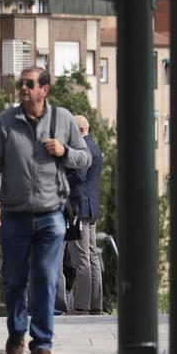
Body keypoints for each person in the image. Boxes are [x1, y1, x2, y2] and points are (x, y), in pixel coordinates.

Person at [0, 67, 90, 354]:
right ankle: (17, 331)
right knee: (14, 280)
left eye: (29, 84)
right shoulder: (6, 122)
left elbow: (86, 157)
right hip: (14, 215)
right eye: (21, 84)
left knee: (45, 277)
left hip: (51, 214)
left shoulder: (63, 119)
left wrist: (64, 150)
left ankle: (42, 345)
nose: (23, 89)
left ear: (45, 89)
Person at [65, 115, 104, 315]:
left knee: (81, 258)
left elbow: (78, 176)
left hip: (77, 209)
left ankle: (82, 306)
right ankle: (95, 304)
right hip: (91, 208)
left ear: (79, 130)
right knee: (92, 256)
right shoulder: (95, 147)